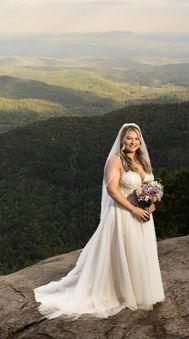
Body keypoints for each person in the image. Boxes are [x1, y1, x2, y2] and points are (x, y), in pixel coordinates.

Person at [34, 122, 165, 319]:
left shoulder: (142, 160)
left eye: (136, 138)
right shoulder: (115, 160)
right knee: (123, 252)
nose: (133, 142)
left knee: (139, 253)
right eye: (129, 138)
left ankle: (139, 291)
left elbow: (148, 186)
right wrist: (133, 209)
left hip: (142, 214)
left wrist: (150, 203)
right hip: (123, 214)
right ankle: (121, 291)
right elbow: (112, 190)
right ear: (122, 140)